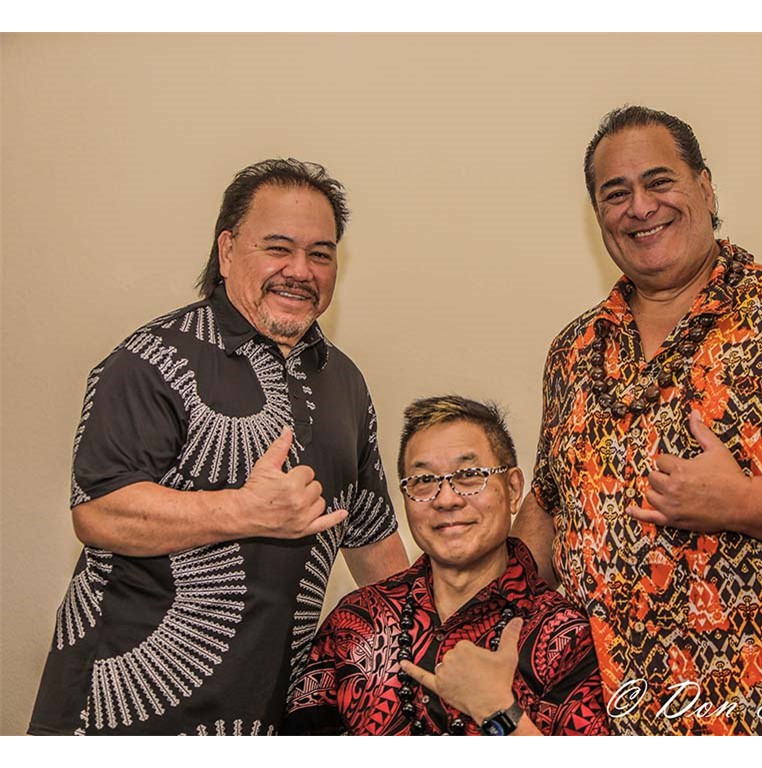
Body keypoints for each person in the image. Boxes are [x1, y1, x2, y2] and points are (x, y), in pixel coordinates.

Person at [513, 106, 762, 735]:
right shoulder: (574, 349)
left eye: (659, 181)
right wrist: (495, 613)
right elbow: (549, 502)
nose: (640, 207)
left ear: (705, 187)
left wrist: (741, 501)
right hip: (603, 723)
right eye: (615, 193)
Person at [29, 159, 409, 735]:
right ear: (227, 250)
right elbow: (98, 511)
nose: (300, 271)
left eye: (321, 254)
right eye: (277, 248)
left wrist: (438, 636)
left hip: (264, 718)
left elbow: (372, 540)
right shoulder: (149, 359)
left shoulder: (346, 382)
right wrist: (242, 511)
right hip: (122, 713)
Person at [284, 396, 609, 736]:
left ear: (513, 489)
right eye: (423, 481)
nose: (446, 499)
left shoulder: (566, 635)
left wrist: (497, 711)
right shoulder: (357, 619)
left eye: (469, 476)